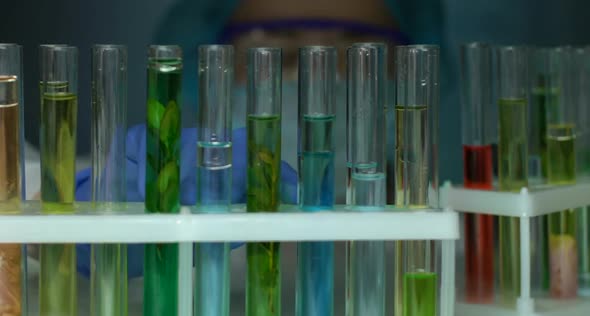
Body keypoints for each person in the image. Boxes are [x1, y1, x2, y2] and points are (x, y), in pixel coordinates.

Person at [67, 0, 445, 279]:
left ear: (410, 74)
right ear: (211, 68)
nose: (318, 83)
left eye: (359, 57)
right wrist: (54, 227)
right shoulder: (111, 181)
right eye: (279, 53)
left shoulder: (455, 241)